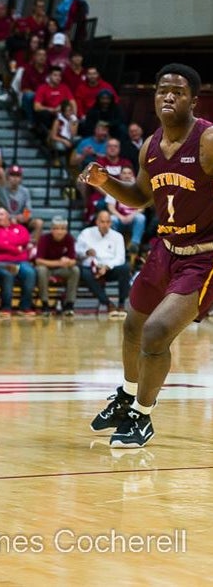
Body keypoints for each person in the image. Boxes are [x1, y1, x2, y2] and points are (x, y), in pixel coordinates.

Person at [81, 63, 213, 448]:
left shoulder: (206, 141)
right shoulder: (151, 146)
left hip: (203, 258)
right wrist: (106, 182)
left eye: (178, 91)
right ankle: (126, 394)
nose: (168, 96)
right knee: (132, 326)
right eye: (162, 90)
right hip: (165, 249)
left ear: (194, 99)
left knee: (156, 332)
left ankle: (142, 415)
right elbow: (141, 197)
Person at [33, 216, 79, 316]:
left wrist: (70, 262)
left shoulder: (69, 238)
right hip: (47, 268)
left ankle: (69, 305)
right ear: (52, 230)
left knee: (75, 270)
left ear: (66, 230)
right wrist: (59, 262)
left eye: (62, 229)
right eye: (57, 228)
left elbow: (73, 260)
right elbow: (38, 261)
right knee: (41, 270)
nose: (59, 232)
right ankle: (45, 304)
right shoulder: (44, 238)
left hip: (61, 269)